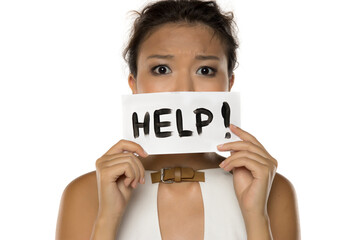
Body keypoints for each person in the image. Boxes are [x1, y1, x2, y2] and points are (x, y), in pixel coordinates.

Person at [55, 0, 300, 239]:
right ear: (134, 84)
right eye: (161, 69)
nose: (184, 90)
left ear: (229, 84)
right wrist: (107, 220)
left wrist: (256, 217)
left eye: (205, 70)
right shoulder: (86, 193)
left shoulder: (272, 189)